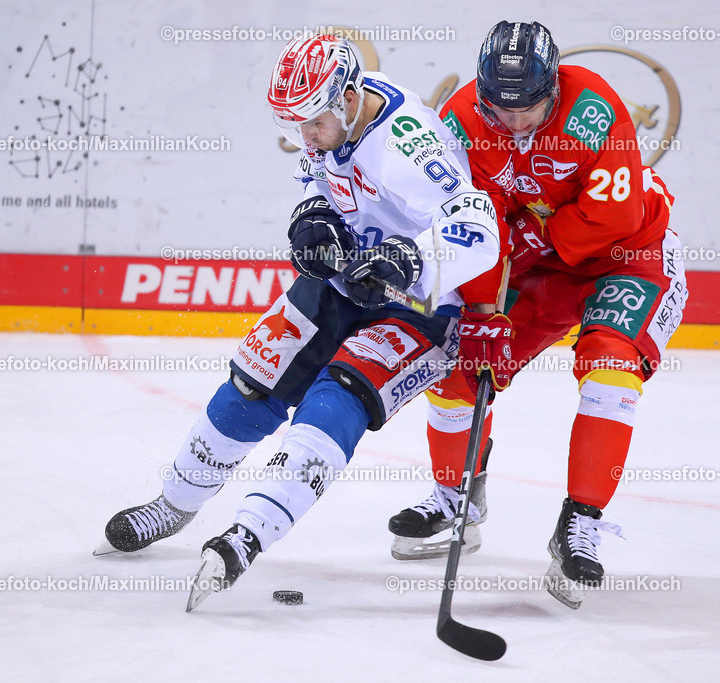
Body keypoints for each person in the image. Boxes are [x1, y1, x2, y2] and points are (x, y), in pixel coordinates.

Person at [94, 34, 500, 612]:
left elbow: (478, 229)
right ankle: (174, 504)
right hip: (344, 282)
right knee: (251, 384)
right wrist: (312, 213)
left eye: (311, 122)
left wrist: (411, 259)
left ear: (348, 98)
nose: (303, 137)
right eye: (292, 126)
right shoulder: (332, 120)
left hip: (422, 306)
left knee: (337, 400)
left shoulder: (408, 146)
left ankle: (248, 534)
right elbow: (322, 174)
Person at [386, 21, 688, 609]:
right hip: (539, 266)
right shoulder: (463, 120)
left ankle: (581, 522)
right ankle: (458, 499)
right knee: (459, 367)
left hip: (629, 257)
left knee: (611, 369)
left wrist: (529, 235)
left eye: (528, 107)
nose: (515, 121)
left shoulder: (591, 107)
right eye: (501, 109)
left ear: (551, 87)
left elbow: (616, 215)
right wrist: (479, 307)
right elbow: (469, 217)